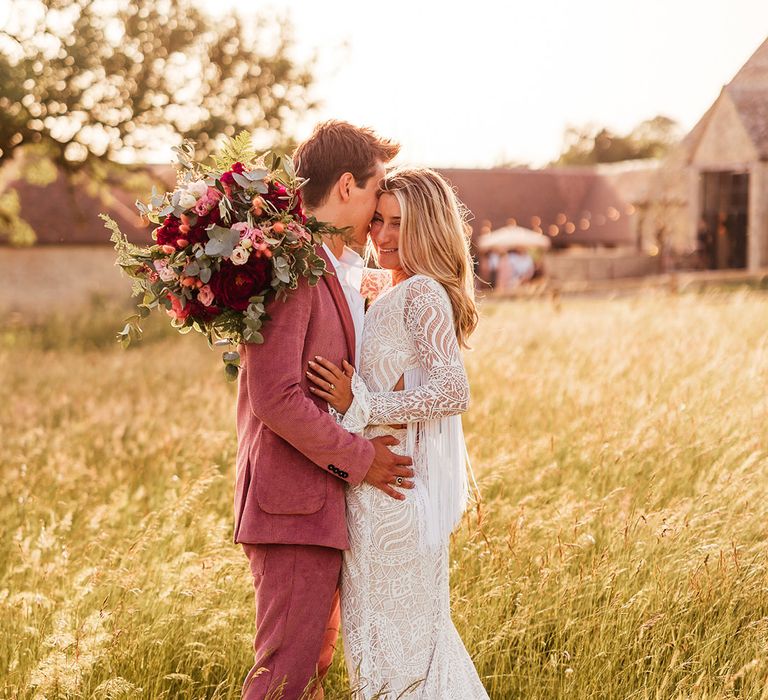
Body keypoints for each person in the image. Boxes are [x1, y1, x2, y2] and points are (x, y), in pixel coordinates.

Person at [234, 121, 414, 700]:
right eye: (376, 188)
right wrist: (362, 459)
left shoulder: (342, 268)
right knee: (283, 677)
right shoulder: (295, 267)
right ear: (345, 186)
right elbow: (275, 396)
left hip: (323, 508)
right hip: (292, 508)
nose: (379, 204)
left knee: (309, 671)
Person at [306, 168, 489, 698]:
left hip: (395, 501)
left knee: (405, 658)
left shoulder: (424, 293)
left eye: (398, 225)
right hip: (366, 497)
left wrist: (361, 405)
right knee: (377, 657)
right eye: (378, 220)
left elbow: (453, 391)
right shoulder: (387, 290)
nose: (381, 236)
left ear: (427, 228)